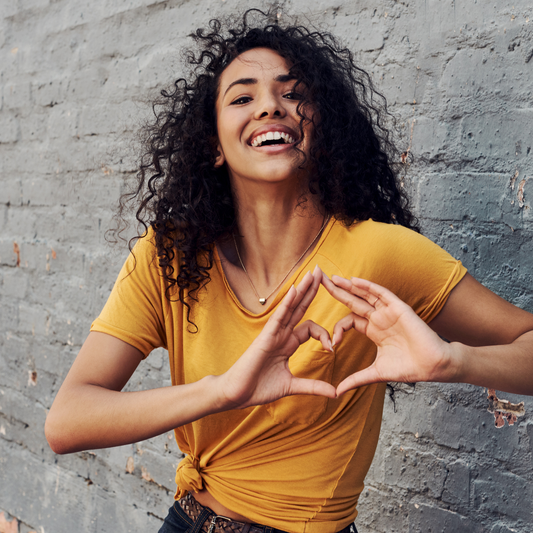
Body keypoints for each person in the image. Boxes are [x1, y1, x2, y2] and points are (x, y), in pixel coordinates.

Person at [44, 9, 533, 533]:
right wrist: (224, 389)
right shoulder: (170, 256)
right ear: (213, 143)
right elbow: (67, 422)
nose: (270, 106)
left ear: (320, 127)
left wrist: (454, 362)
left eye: (293, 92)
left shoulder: (382, 254)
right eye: (242, 97)